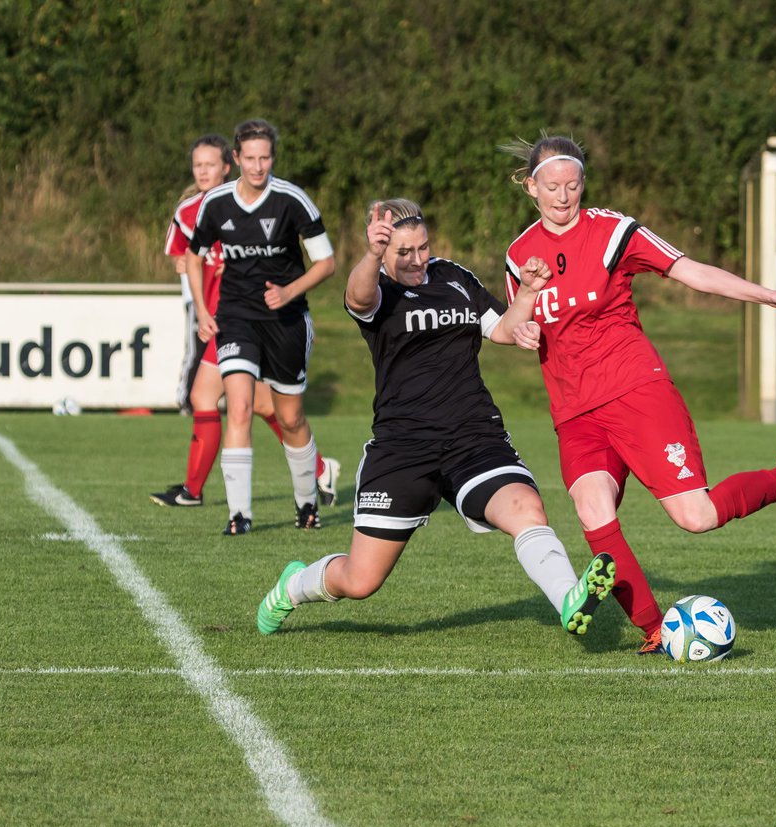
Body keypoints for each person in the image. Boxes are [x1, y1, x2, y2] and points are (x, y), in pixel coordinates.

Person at [502, 134, 776, 655]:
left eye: (572, 185)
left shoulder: (613, 231)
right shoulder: (518, 254)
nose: (563, 196)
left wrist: (767, 295)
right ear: (531, 186)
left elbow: (690, 272)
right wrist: (526, 311)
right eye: (552, 187)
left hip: (635, 391)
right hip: (575, 412)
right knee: (592, 508)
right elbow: (512, 327)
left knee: (697, 517)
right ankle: (653, 628)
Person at [256, 199, 616, 637]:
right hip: (403, 449)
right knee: (360, 580)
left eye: (422, 247)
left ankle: (568, 599)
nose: (415, 259)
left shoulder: (455, 277)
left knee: (526, 508)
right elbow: (357, 296)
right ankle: (293, 586)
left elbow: (501, 329)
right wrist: (371, 255)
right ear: (384, 253)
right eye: (402, 252)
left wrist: (528, 293)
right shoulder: (379, 289)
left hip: (473, 436)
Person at [152, 134, 341, 509]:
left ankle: (200, 492)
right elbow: (185, 257)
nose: (203, 172)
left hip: (247, 318)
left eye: (210, 165)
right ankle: (315, 471)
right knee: (246, 403)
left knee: (227, 400)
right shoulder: (192, 209)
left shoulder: (253, 203)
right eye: (197, 165)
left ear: (228, 165)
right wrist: (194, 274)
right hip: (221, 318)